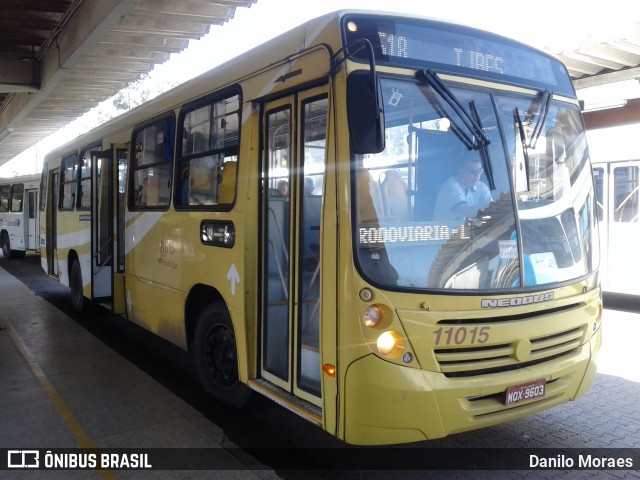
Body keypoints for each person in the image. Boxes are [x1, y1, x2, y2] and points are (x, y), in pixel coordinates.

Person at [433, 159, 492, 224]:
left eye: (479, 171)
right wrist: (491, 210)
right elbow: (466, 211)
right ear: (461, 171)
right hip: (445, 233)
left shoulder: (481, 187)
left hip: (470, 233)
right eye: (473, 171)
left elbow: (492, 208)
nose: (477, 175)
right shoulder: (450, 186)